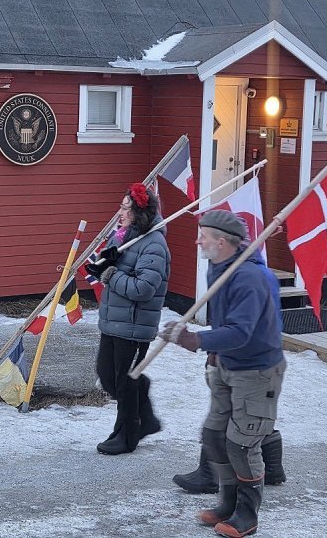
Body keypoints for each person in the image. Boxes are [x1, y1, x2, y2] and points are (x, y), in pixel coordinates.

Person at [161, 209, 286, 538]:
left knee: (242, 444)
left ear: (221, 241)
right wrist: (212, 350)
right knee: (216, 436)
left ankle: (247, 514)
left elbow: (241, 331)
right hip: (227, 364)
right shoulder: (218, 267)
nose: (197, 239)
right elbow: (222, 321)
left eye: (203, 234)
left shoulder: (249, 278)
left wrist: (195, 340)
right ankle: (227, 503)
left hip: (256, 369)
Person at [172, 243, 287, 494]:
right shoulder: (252, 273)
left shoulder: (248, 278)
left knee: (231, 413)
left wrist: (215, 348)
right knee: (244, 412)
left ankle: (212, 475)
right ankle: (273, 467)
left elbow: (242, 329)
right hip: (253, 357)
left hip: (250, 360)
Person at [86, 183, 170, 456]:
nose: (119, 213)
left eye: (125, 208)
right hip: (113, 320)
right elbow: (111, 266)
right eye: (121, 207)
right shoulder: (123, 236)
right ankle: (146, 416)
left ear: (139, 212)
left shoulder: (154, 245)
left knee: (124, 381)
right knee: (108, 377)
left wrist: (110, 275)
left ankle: (126, 435)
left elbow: (144, 289)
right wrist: (100, 265)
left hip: (134, 326)